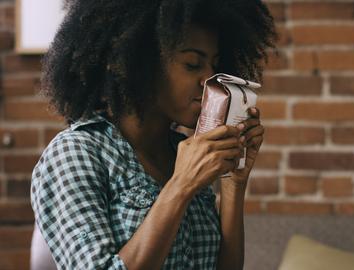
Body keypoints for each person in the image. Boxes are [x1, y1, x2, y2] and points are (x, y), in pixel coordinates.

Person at [30, 0, 276, 269]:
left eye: (214, 65)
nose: (210, 79)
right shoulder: (75, 154)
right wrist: (180, 186)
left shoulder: (184, 152)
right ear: (137, 63)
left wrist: (232, 183)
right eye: (193, 64)